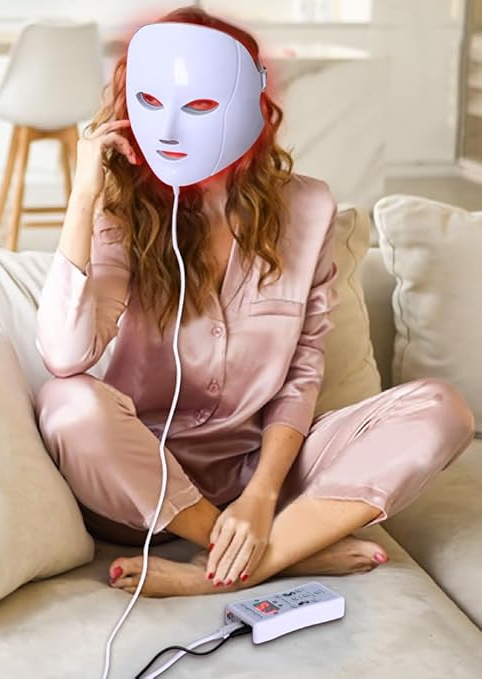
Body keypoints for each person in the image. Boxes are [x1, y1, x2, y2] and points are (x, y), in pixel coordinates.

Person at [33, 6, 476, 598]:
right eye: (152, 104)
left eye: (199, 106)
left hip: (263, 476)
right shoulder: (123, 215)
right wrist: (86, 192)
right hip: (145, 488)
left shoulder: (309, 209)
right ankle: (262, 554)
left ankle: (231, 568)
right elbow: (65, 355)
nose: (171, 130)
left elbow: (301, 375)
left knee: (443, 409)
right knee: (67, 402)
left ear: (251, 108)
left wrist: (262, 498)